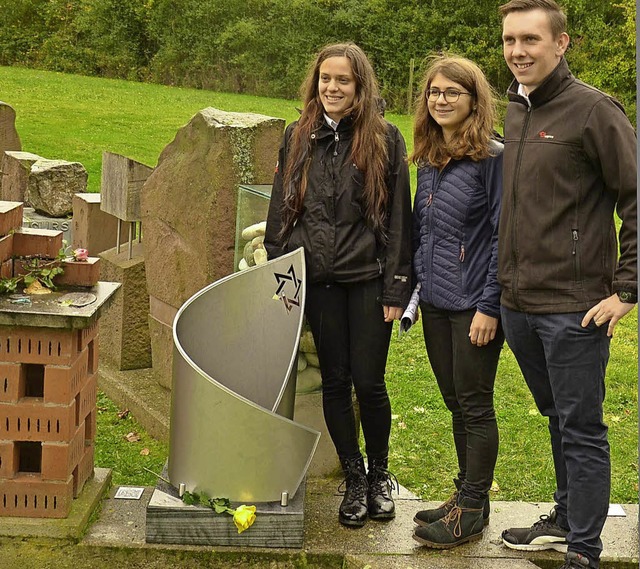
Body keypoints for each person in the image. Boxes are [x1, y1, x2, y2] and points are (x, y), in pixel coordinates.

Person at [497, 2, 637, 568]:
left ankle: (584, 548)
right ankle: (566, 515)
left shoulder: (593, 111)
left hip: (575, 310)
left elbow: (635, 197)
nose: (517, 51)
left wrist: (628, 290)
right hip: (519, 304)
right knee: (556, 417)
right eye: (509, 40)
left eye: (531, 39)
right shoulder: (514, 108)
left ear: (561, 44)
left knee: (580, 427)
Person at [264, 43, 412, 528]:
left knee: (369, 382)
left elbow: (397, 222)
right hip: (318, 283)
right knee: (335, 380)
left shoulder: (385, 139)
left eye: (342, 81)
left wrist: (396, 289)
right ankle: (353, 477)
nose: (332, 88)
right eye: (325, 79)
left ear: (359, 86)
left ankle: (378, 475)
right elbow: (280, 212)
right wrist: (283, 276)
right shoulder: (298, 136)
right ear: (316, 83)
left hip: (367, 281)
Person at [408, 54, 504, 549]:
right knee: (453, 402)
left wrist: (490, 306)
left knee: (474, 403)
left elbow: (501, 237)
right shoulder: (430, 155)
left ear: (473, 101)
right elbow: (425, 230)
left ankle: (470, 508)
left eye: (452, 93)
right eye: (434, 92)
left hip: (475, 305)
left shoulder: (492, 157)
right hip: (438, 302)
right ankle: (469, 497)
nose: (441, 100)